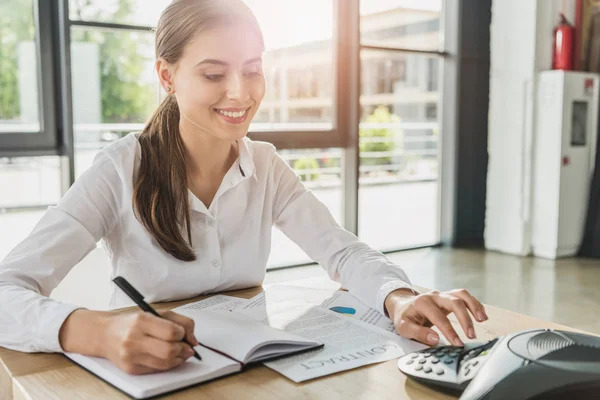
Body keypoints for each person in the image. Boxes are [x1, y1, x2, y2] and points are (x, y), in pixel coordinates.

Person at [0, 0, 488, 375]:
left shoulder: (266, 166)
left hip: (250, 372)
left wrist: (398, 297)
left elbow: (343, 252)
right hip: (155, 373)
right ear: (166, 76)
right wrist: (91, 330)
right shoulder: (118, 169)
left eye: (253, 69)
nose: (241, 92)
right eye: (213, 74)